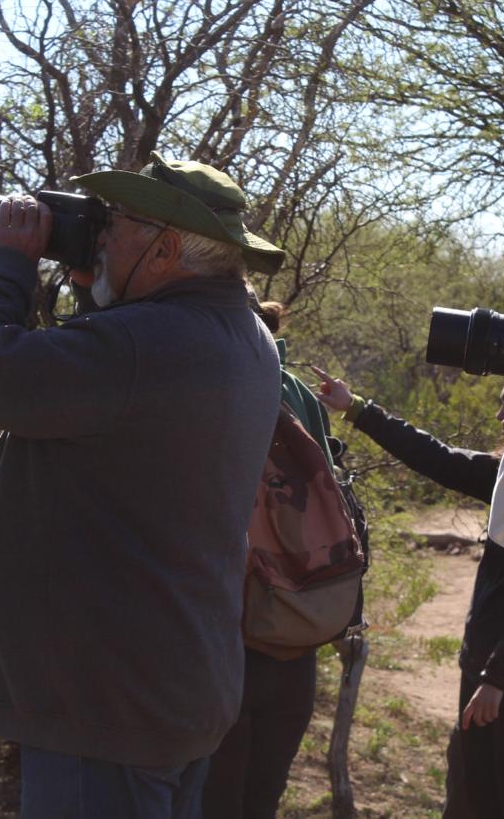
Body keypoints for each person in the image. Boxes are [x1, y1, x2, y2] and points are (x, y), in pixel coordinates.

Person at [0, 153, 284, 817]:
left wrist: (8, 259)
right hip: (168, 693)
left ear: (166, 248)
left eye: (115, 223)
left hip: (106, 712)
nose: (100, 234)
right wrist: (100, 288)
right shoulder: (240, 338)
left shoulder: (141, 347)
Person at [313, 371, 504, 818]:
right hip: (489, 671)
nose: (502, 419)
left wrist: (496, 679)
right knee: (468, 790)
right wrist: (357, 409)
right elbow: (436, 457)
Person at [203, 297, 337, 819]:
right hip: (295, 620)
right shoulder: (296, 393)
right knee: (262, 793)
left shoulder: (210, 383)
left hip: (227, 627)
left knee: (214, 794)